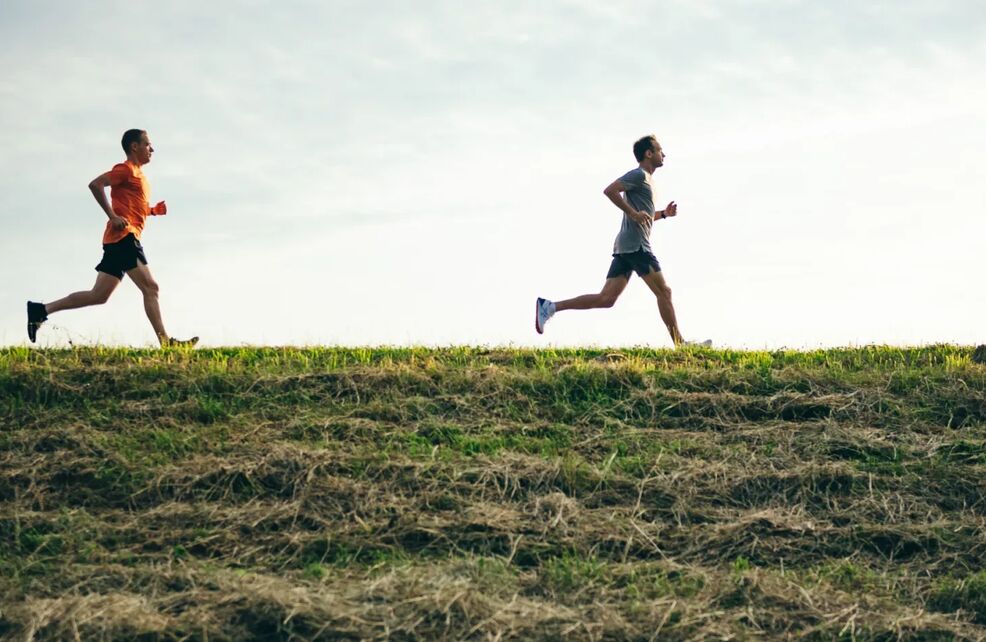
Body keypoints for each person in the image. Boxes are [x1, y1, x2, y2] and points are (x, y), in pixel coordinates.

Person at [26, 129, 198, 347]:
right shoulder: (125, 170)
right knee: (151, 288)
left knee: (98, 295)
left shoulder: (139, 177)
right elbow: (95, 184)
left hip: (116, 241)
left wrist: (152, 210)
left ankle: (41, 310)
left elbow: (134, 207)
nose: (152, 149)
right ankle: (166, 343)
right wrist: (112, 216)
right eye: (147, 144)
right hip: (124, 238)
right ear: (134, 146)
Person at [535, 135, 708, 347]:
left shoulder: (648, 181)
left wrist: (663, 214)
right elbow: (610, 190)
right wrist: (633, 213)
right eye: (660, 150)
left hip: (627, 246)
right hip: (637, 246)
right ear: (649, 153)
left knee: (606, 299)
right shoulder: (639, 175)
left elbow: (644, 216)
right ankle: (680, 345)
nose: (664, 154)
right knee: (664, 292)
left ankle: (550, 307)